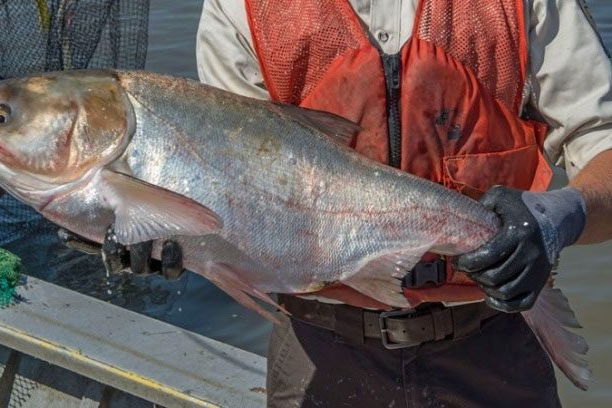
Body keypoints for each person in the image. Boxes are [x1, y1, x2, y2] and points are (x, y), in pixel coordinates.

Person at [196, 0, 612, 406]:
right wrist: (170, 239)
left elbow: (601, 138)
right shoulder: (241, 7)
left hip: (495, 338)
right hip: (317, 347)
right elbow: (227, 182)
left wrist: (561, 217)